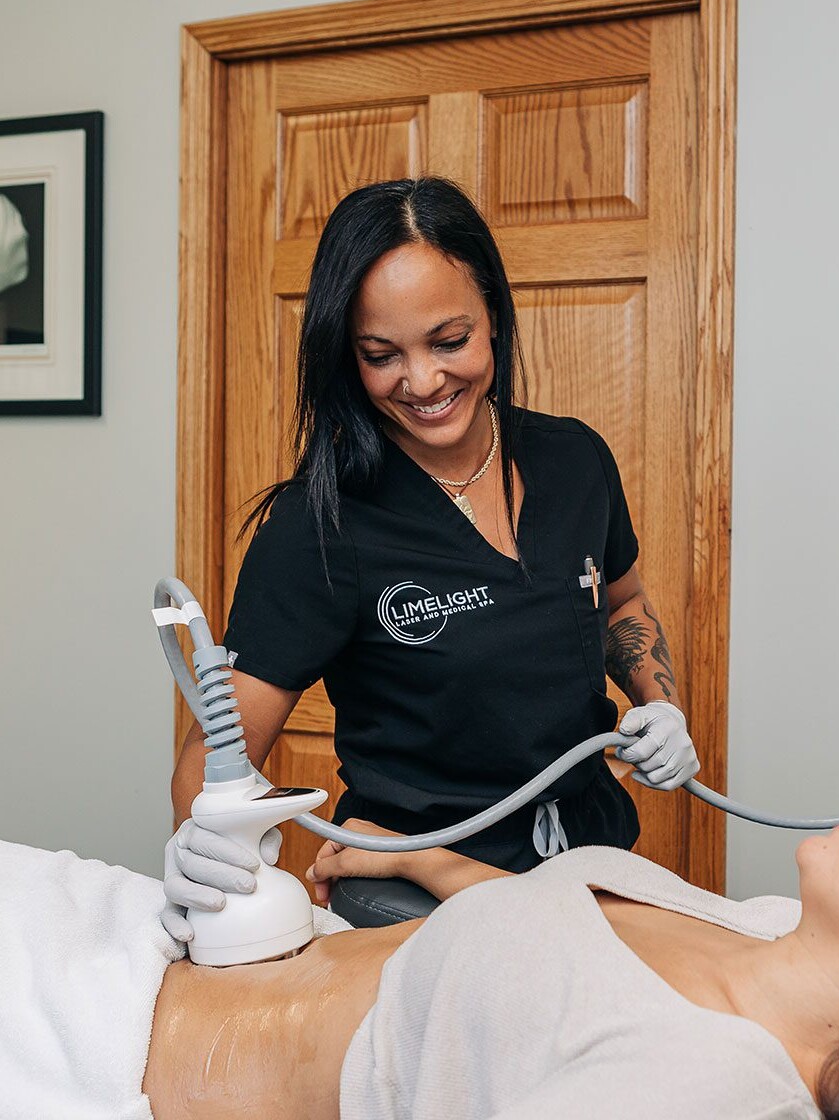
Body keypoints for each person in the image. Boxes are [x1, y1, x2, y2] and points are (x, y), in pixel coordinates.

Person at [164, 177, 699, 936]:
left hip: (592, 858)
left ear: (494, 320)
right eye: (382, 355)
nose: (423, 382)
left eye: (450, 342)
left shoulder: (574, 460)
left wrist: (660, 703)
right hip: (414, 891)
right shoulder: (321, 525)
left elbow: (621, 602)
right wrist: (202, 844)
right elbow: (215, 757)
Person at [134, 785, 839, 1119]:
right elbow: (558, 966)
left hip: (120, 1051)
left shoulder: (702, 1088)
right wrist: (440, 869)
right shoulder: (779, 940)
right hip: (149, 948)